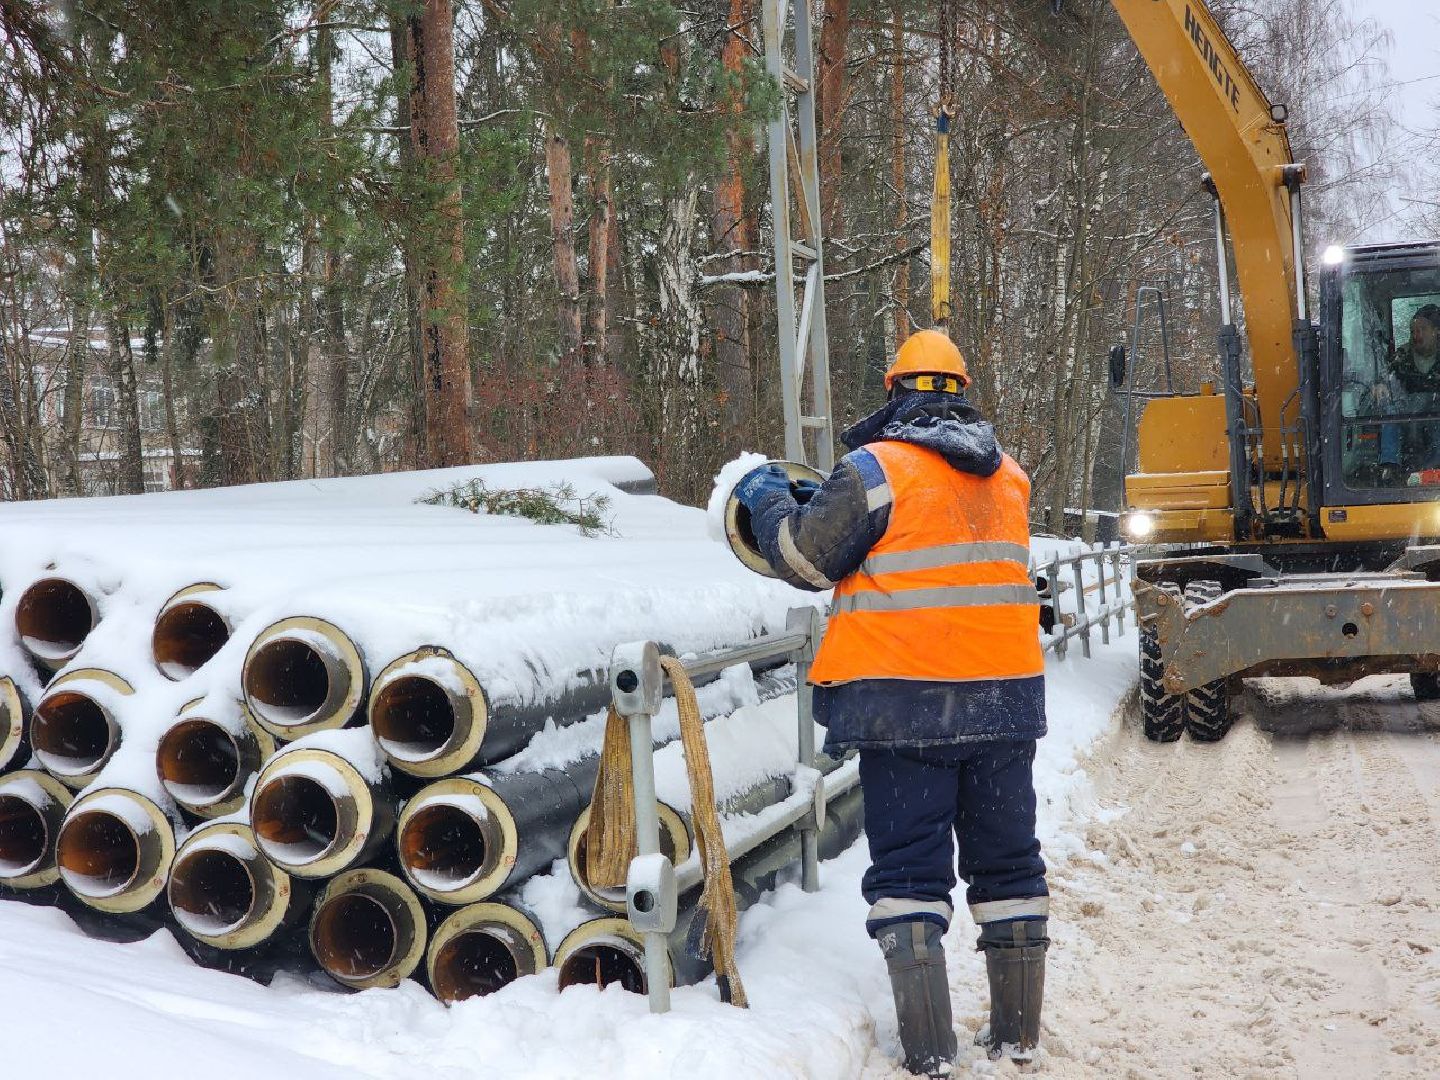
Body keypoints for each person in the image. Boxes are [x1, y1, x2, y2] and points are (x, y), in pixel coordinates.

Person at [732, 329, 1049, 1075]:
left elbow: (810, 558)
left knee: (909, 875)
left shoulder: (875, 469)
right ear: (962, 389)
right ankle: (1017, 1042)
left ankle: (932, 1054)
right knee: (1008, 868)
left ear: (893, 389)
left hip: (908, 708)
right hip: (1005, 703)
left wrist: (771, 499)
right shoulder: (1009, 476)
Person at [1375, 305, 1440, 481]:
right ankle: (1390, 466)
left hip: (1435, 415)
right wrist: (1381, 385)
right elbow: (1385, 377)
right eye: (1413, 331)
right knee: (1389, 411)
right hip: (1407, 414)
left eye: (1422, 330)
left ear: (1436, 331)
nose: (1416, 335)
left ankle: (1431, 469)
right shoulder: (1401, 357)